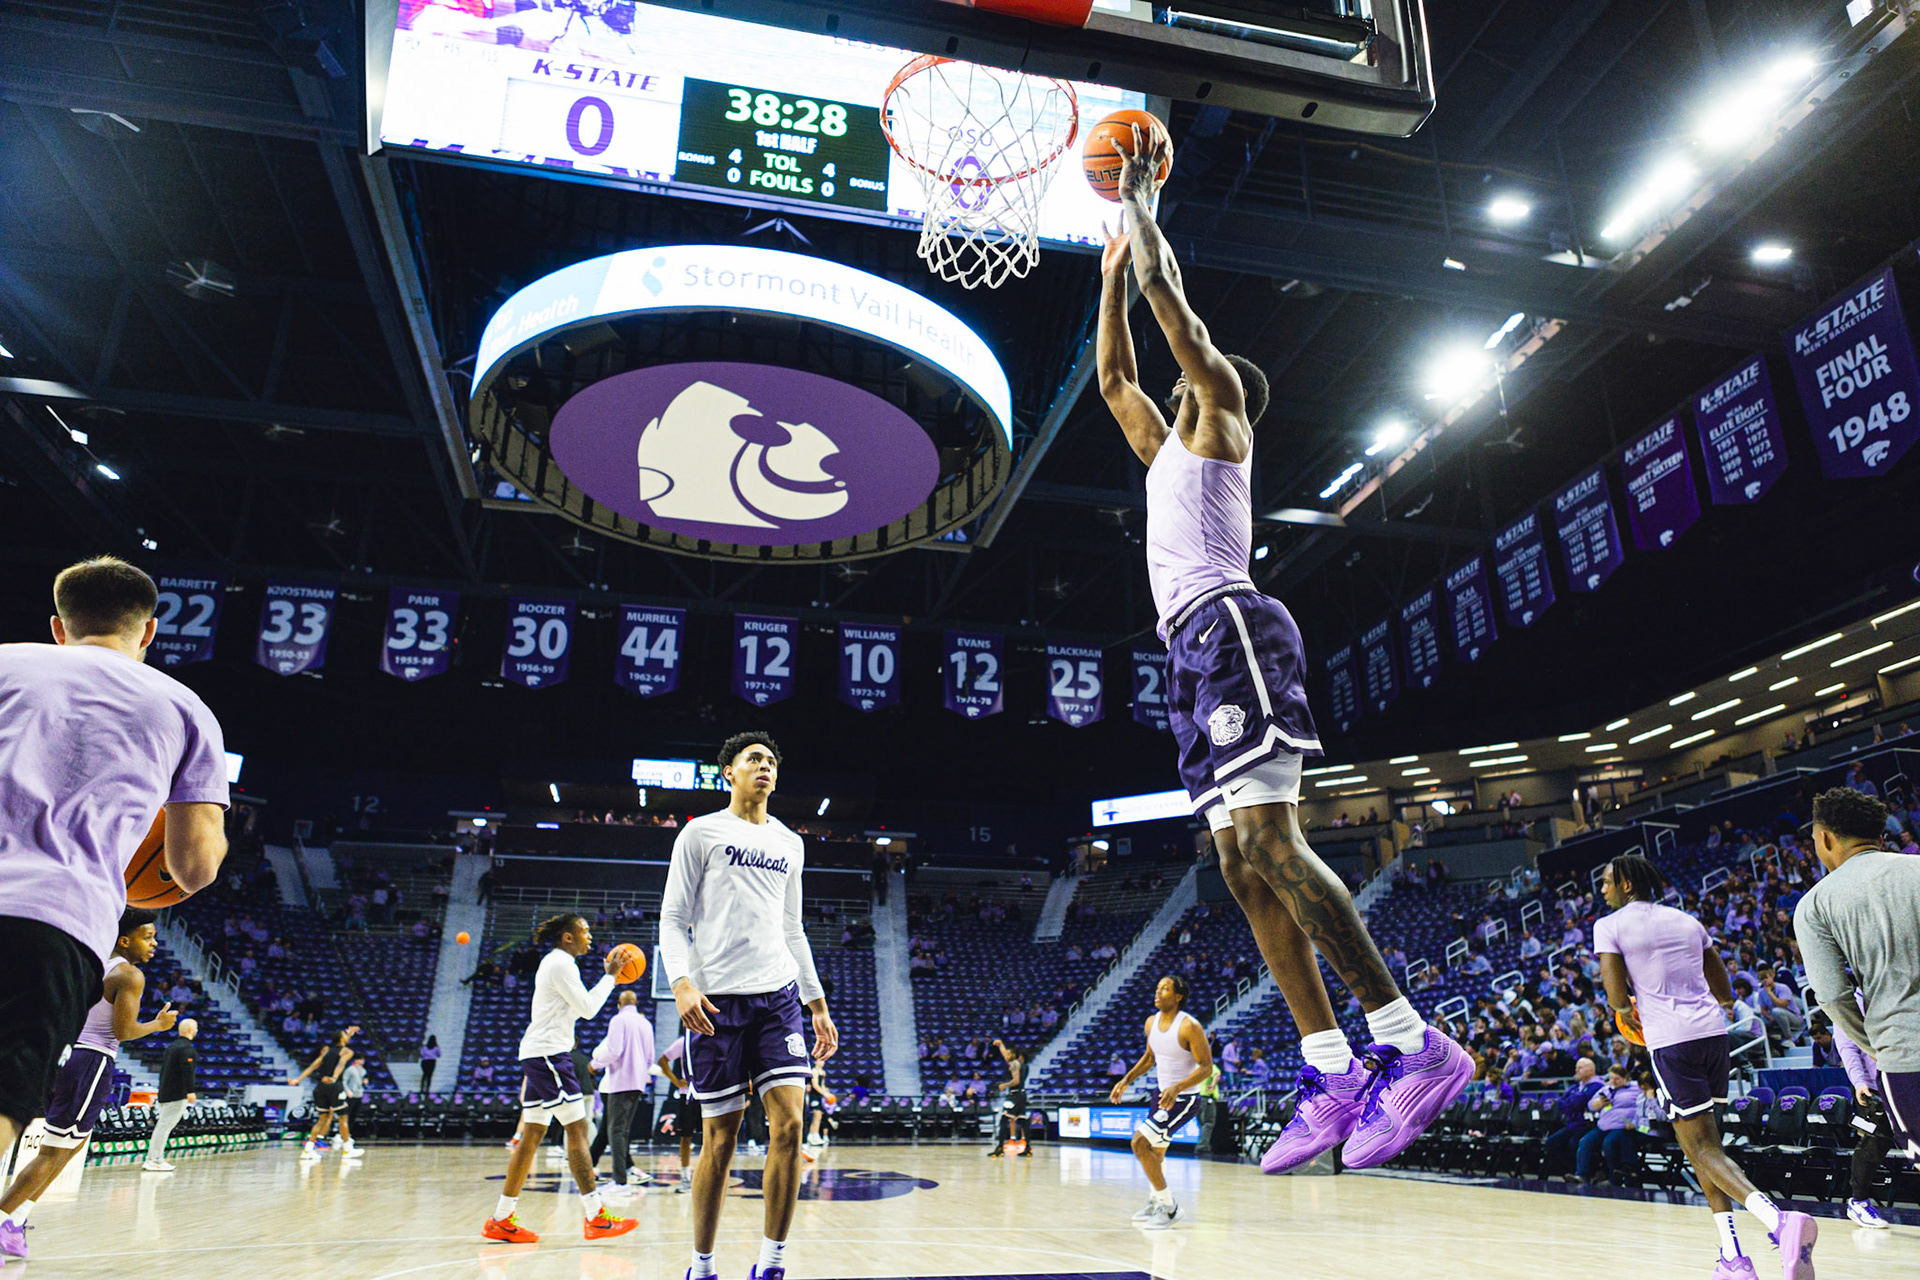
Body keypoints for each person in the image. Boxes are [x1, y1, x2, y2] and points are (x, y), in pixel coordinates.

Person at [1095, 131, 1468, 1180]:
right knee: (1236, 862)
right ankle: (1331, 1067)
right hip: (1187, 651)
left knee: (1271, 839)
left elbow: (1173, 311)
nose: (1175, 379)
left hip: (1234, 626)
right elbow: (1114, 374)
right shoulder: (1160, 452)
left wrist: (1140, 209)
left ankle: (1414, 1042)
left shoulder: (1220, 416)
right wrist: (1110, 273)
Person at [0, 557, 229, 1174]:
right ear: (149, 630)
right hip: (54, 919)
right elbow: (194, 867)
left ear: (58, 626)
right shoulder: (185, 708)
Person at [660, 732, 837, 1280]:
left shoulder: (790, 842)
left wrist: (816, 1003)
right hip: (716, 1004)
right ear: (728, 772)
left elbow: (792, 928)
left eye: (771, 761)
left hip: (778, 998)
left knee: (790, 1126)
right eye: (753, 759)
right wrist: (681, 984)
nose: (765, 766)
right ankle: (702, 1265)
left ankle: (772, 1263)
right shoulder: (701, 833)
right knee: (720, 1139)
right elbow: (672, 919)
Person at [1596, 854, 1816, 1279]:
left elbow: (1616, 997)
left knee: (1702, 1149)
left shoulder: (1610, 925)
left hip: (1671, 1041)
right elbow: (1724, 989)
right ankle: (1733, 1257)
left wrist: (1625, 1011)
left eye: (1607, 882)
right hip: (1714, 1036)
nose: (1603, 890)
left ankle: (1779, 1222)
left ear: (1626, 885)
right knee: (1704, 1149)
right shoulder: (1686, 920)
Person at [0, 908, 175, 1259]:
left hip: (66, 1053)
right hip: (92, 1061)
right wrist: (158, 1025)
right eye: (147, 937)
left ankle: (16, 1219)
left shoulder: (93, 964)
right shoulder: (130, 975)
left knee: (68, 1147)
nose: (154, 944)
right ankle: (5, 1218)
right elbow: (123, 1031)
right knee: (55, 1152)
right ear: (124, 940)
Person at [482, 914, 638, 1243]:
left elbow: (579, 1008)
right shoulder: (561, 964)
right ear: (568, 937)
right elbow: (589, 1009)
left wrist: (608, 978)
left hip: (539, 1053)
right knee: (577, 1129)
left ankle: (501, 1218)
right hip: (549, 1055)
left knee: (532, 1135)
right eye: (585, 931)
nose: (590, 937)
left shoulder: (559, 963)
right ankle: (596, 1217)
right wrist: (611, 977)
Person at [1793, 786, 1920, 1164]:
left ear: (1825, 839)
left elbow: (1833, 995)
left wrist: (1874, 1046)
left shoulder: (1815, 904)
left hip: (1905, 1053)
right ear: (1880, 836)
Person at [1108, 976, 1213, 1230]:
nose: (1158, 992)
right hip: (1161, 1096)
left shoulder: (1189, 1026)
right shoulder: (1151, 1023)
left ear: (1178, 996)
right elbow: (1149, 1057)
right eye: (1157, 988)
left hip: (1183, 1099)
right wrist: (1126, 1079)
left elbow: (1206, 1067)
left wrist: (1177, 1087)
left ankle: (1169, 1208)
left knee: (1139, 1143)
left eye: (1164, 989)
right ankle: (1156, 1200)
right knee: (1156, 1153)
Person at [589, 990, 655, 1190]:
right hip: (638, 1083)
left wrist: (594, 1064)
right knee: (621, 1130)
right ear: (636, 1003)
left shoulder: (618, 1020)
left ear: (619, 1003)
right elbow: (650, 1058)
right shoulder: (646, 1023)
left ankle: (620, 1181)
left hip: (620, 1082)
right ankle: (620, 1173)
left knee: (615, 1131)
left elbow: (614, 1051)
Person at [290, 1028, 362, 1159]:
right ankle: (348, 1149)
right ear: (342, 1038)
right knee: (343, 1118)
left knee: (321, 1119)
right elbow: (341, 1064)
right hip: (334, 1086)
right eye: (345, 1035)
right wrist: (334, 1077)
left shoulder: (327, 1051)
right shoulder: (347, 1051)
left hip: (321, 1086)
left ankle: (308, 1149)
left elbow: (312, 1066)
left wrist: (298, 1080)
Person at [144, 1017, 199, 1171]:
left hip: (165, 1092)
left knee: (162, 1126)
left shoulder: (171, 1047)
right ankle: (154, 1160)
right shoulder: (187, 1049)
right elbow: (188, 1071)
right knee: (164, 1127)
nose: (196, 1031)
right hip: (176, 1094)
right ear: (190, 1030)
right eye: (195, 1028)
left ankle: (153, 1158)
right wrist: (190, 1091)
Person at [1576, 1064, 1641, 1185]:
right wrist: (1597, 1103)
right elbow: (1590, 1105)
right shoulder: (1606, 1089)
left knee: (1609, 1143)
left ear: (1626, 1078)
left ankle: (1613, 1178)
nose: (1613, 1082)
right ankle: (1582, 1175)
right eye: (1611, 1078)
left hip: (1622, 1126)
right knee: (1585, 1141)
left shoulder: (1636, 1088)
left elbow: (1643, 1104)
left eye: (1617, 1079)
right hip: (1603, 1125)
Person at [1542, 1057, 1602, 1177]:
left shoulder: (1597, 1086)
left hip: (1587, 1125)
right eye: (1576, 1068)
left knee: (1573, 1143)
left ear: (1591, 1070)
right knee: (1552, 1142)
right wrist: (1574, 1102)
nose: (1576, 1070)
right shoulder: (1575, 1087)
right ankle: (1571, 1170)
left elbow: (1580, 1102)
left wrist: (1574, 1102)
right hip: (1572, 1124)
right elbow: (1561, 1103)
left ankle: (1589, 1172)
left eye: (1580, 1068)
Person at [657, 1038, 698, 1193]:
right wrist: (676, 1081)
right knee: (685, 1137)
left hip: (708, 1094)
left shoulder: (712, 1039)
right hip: (687, 1095)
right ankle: (686, 1178)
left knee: (711, 1137)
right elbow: (662, 1061)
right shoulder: (683, 1042)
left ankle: (709, 1177)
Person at [986, 1038, 1029, 1157]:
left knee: (1004, 1120)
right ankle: (1028, 1148)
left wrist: (1004, 1085)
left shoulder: (1015, 1064)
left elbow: (1016, 1080)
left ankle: (1000, 1148)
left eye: (1009, 1054)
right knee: (1023, 1121)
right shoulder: (1024, 1066)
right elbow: (1006, 1056)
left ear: (1014, 1055)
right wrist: (1001, 1045)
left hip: (1014, 1095)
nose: (1006, 1056)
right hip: (1022, 1094)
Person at [340, 1052, 367, 1148]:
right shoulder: (350, 1069)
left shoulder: (363, 1071)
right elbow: (344, 1081)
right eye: (360, 1059)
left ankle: (349, 1133)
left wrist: (364, 1083)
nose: (362, 1061)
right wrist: (347, 1091)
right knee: (347, 1115)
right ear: (356, 1060)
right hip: (350, 1095)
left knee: (354, 1115)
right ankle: (342, 1134)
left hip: (359, 1094)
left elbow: (362, 1081)